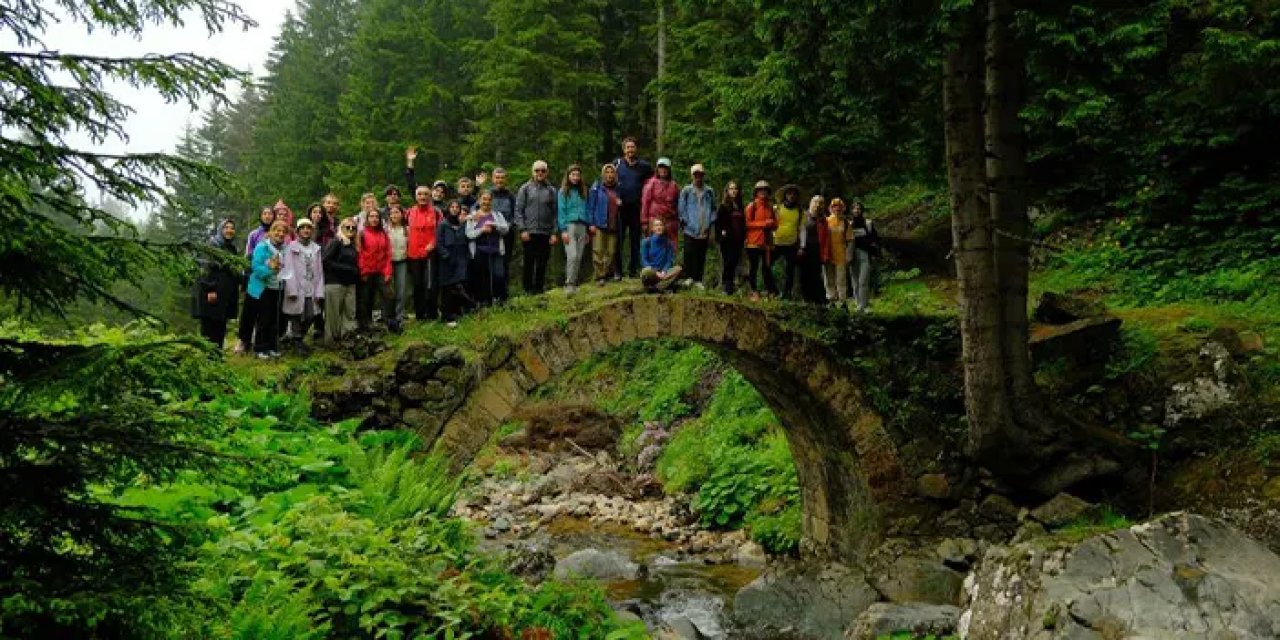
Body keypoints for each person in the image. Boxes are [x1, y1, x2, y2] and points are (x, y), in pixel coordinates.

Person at [405, 147, 442, 320]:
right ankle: (420, 315)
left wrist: (433, 244)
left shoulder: (436, 212)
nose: (422, 196)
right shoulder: (409, 212)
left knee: (431, 284)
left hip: (430, 253)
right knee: (417, 284)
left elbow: (441, 232)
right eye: (420, 194)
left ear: (430, 196)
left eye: (426, 194)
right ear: (415, 196)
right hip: (413, 254)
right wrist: (410, 163)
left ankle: (432, 314)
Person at [192, 218, 240, 349]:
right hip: (211, 294)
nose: (229, 230)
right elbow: (205, 268)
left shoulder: (231, 248)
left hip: (224, 295)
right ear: (220, 229)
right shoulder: (212, 245)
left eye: (232, 228)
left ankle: (217, 354)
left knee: (220, 326)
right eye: (226, 227)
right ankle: (207, 356)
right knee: (209, 327)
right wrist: (210, 289)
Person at [234, 206, 276, 355]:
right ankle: (243, 340)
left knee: (265, 313)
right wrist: (246, 275)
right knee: (249, 311)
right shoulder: (254, 234)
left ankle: (261, 341)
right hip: (255, 277)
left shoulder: (278, 232)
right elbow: (248, 255)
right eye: (265, 214)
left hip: (271, 279)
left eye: (270, 214)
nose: (267, 216)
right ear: (260, 216)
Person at [281, 218, 325, 355]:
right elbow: (288, 268)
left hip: (311, 287)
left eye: (308, 228)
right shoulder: (291, 247)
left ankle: (298, 338)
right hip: (297, 286)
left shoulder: (316, 248)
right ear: (298, 231)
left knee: (311, 315)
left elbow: (320, 271)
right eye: (303, 228)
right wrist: (292, 289)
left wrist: (319, 291)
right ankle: (297, 340)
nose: (306, 230)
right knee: (296, 315)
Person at [514, 159, 559, 294]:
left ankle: (539, 290)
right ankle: (527, 290)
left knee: (542, 263)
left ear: (547, 172)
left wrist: (554, 232)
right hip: (529, 232)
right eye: (537, 170)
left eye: (543, 171)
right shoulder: (525, 188)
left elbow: (556, 213)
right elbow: (518, 211)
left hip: (545, 233)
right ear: (532, 172)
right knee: (528, 262)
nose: (540, 173)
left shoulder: (551, 190)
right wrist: (522, 229)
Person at [612, 136, 653, 277]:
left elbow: (652, 182)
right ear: (624, 149)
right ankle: (618, 271)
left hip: (637, 208)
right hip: (620, 209)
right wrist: (614, 197)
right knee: (619, 240)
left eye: (632, 147)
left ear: (636, 149)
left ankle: (633, 270)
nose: (630, 150)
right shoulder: (617, 164)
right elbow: (608, 181)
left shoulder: (644, 166)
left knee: (635, 241)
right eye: (628, 147)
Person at [248, 220, 289, 359]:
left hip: (278, 287)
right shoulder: (262, 247)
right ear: (271, 232)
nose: (280, 234)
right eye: (277, 230)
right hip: (263, 288)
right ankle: (260, 348)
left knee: (274, 319)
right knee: (263, 319)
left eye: (283, 232)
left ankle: (272, 347)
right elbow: (256, 267)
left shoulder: (285, 248)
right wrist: (270, 269)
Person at [466, 191, 509, 306]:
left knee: (498, 275)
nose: (486, 202)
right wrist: (481, 230)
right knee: (482, 277)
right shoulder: (473, 216)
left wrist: (495, 225)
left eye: (489, 199)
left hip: (496, 249)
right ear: (479, 200)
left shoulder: (497, 215)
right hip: (479, 251)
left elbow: (505, 230)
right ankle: (483, 302)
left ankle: (500, 300)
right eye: (484, 199)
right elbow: (469, 234)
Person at [356, 208, 396, 331]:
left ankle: (390, 322)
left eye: (376, 217)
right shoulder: (362, 233)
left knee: (389, 295)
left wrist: (388, 271)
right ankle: (365, 324)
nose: (374, 219)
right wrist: (363, 271)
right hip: (367, 271)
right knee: (366, 299)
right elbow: (359, 253)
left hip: (381, 271)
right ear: (367, 219)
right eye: (371, 216)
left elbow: (388, 253)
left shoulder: (383, 234)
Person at [322, 217, 359, 344]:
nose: (350, 229)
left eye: (353, 228)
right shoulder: (336, 242)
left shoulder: (352, 245)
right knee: (333, 314)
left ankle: (347, 338)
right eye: (347, 227)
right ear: (341, 228)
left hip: (350, 283)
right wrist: (348, 269)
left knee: (349, 312)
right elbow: (326, 261)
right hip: (335, 283)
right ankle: (331, 340)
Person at [678, 163, 716, 288]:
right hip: (690, 228)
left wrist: (711, 224)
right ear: (692, 176)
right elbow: (681, 208)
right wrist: (685, 222)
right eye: (696, 175)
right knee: (689, 253)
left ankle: (698, 279)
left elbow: (713, 209)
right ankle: (688, 278)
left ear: (703, 175)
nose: (698, 177)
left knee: (701, 254)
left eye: (700, 174)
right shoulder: (686, 190)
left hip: (704, 228)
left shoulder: (709, 191)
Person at [437, 200, 474, 327]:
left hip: (460, 260)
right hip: (447, 261)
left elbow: (466, 241)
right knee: (447, 288)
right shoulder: (443, 224)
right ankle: (446, 315)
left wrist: (466, 257)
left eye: (457, 207)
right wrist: (446, 256)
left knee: (458, 287)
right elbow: (439, 243)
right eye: (452, 207)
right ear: (448, 209)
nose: (454, 209)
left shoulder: (462, 225)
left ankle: (457, 313)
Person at [557, 164, 591, 293]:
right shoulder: (563, 191)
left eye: (578, 175)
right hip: (569, 225)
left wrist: (587, 229)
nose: (575, 177)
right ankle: (569, 283)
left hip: (582, 225)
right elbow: (561, 211)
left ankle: (574, 282)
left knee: (579, 256)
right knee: (572, 255)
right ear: (568, 176)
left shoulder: (583, 191)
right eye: (573, 175)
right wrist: (563, 230)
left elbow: (587, 209)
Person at [587, 163, 622, 284]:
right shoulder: (597, 188)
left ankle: (606, 273)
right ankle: (600, 276)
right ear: (603, 174)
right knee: (598, 250)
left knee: (611, 251)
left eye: (612, 172)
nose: (609, 175)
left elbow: (621, 206)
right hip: (599, 223)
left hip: (613, 224)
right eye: (607, 172)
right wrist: (591, 223)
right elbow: (590, 207)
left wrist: (620, 204)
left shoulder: (618, 188)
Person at [487, 166, 517, 302]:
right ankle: (490, 295)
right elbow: (479, 210)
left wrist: (509, 226)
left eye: (502, 178)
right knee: (490, 265)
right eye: (497, 177)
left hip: (507, 235)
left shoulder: (510, 196)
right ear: (493, 179)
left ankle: (503, 296)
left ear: (506, 179)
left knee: (504, 265)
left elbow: (516, 213)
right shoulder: (488, 194)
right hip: (490, 235)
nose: (499, 180)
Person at [745, 180, 778, 300]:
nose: (763, 192)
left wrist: (772, 223)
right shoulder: (751, 206)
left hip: (766, 243)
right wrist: (763, 223)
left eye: (765, 190)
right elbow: (747, 224)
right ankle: (753, 291)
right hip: (753, 242)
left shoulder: (770, 207)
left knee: (767, 267)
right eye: (760, 190)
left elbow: (775, 224)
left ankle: (771, 291)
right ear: (756, 192)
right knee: (753, 267)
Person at [641, 157, 680, 249]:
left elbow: (678, 205)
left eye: (665, 167)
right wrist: (644, 222)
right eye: (661, 167)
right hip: (654, 221)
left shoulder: (674, 185)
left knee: (670, 248)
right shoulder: (651, 183)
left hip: (670, 222)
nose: (663, 170)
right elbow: (645, 202)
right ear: (657, 169)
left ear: (669, 169)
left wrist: (678, 221)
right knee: (654, 247)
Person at [715, 181, 746, 295]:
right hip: (727, 239)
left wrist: (744, 236)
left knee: (735, 262)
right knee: (728, 262)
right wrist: (721, 233)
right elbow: (718, 223)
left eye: (735, 189)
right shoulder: (723, 206)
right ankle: (726, 286)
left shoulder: (740, 206)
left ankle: (731, 284)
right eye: (731, 189)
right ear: (727, 191)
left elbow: (744, 223)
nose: (733, 191)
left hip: (738, 239)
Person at [848, 201, 879, 313]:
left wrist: (875, 255)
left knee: (863, 281)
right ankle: (858, 304)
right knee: (855, 281)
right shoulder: (849, 224)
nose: (856, 211)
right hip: (852, 255)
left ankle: (864, 305)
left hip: (865, 255)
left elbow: (875, 240)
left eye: (859, 208)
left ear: (862, 210)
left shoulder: (868, 223)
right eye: (854, 208)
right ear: (851, 210)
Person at [773, 184, 803, 299]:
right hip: (776, 242)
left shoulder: (800, 211)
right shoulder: (776, 208)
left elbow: (802, 229)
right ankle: (773, 290)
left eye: (794, 194)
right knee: (767, 266)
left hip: (791, 244)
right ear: (785, 195)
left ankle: (786, 293)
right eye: (789, 193)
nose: (792, 196)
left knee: (789, 270)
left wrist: (801, 247)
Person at [819, 198, 850, 305]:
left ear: (843, 208)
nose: (837, 208)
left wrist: (849, 255)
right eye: (834, 206)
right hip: (828, 254)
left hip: (841, 255)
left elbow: (850, 240)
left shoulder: (845, 222)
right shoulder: (826, 221)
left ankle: (842, 301)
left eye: (839, 206)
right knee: (828, 278)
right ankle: (831, 300)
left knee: (841, 279)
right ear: (831, 208)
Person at [798, 195, 828, 304]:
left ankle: (819, 300)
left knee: (816, 274)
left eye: (821, 203)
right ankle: (807, 299)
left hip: (817, 249)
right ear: (811, 203)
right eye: (816, 202)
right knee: (804, 274)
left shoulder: (824, 219)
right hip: (804, 248)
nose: (818, 205)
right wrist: (800, 247)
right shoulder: (804, 216)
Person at [640, 218, 682, 292]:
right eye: (656, 225)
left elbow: (669, 261)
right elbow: (644, 260)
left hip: (663, 274)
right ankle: (665, 285)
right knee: (645, 272)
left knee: (678, 269)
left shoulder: (668, 243)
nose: (659, 227)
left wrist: (664, 271)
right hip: (651, 272)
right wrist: (656, 273)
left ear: (663, 227)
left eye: (661, 225)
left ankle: (657, 288)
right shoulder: (646, 242)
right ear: (652, 228)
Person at [386, 203, 409, 328]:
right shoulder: (386, 229)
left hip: (402, 262)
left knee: (401, 289)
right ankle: (388, 316)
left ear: (402, 214)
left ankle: (399, 316)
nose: (394, 215)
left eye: (397, 212)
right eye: (392, 213)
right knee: (389, 290)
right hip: (388, 262)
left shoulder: (407, 229)